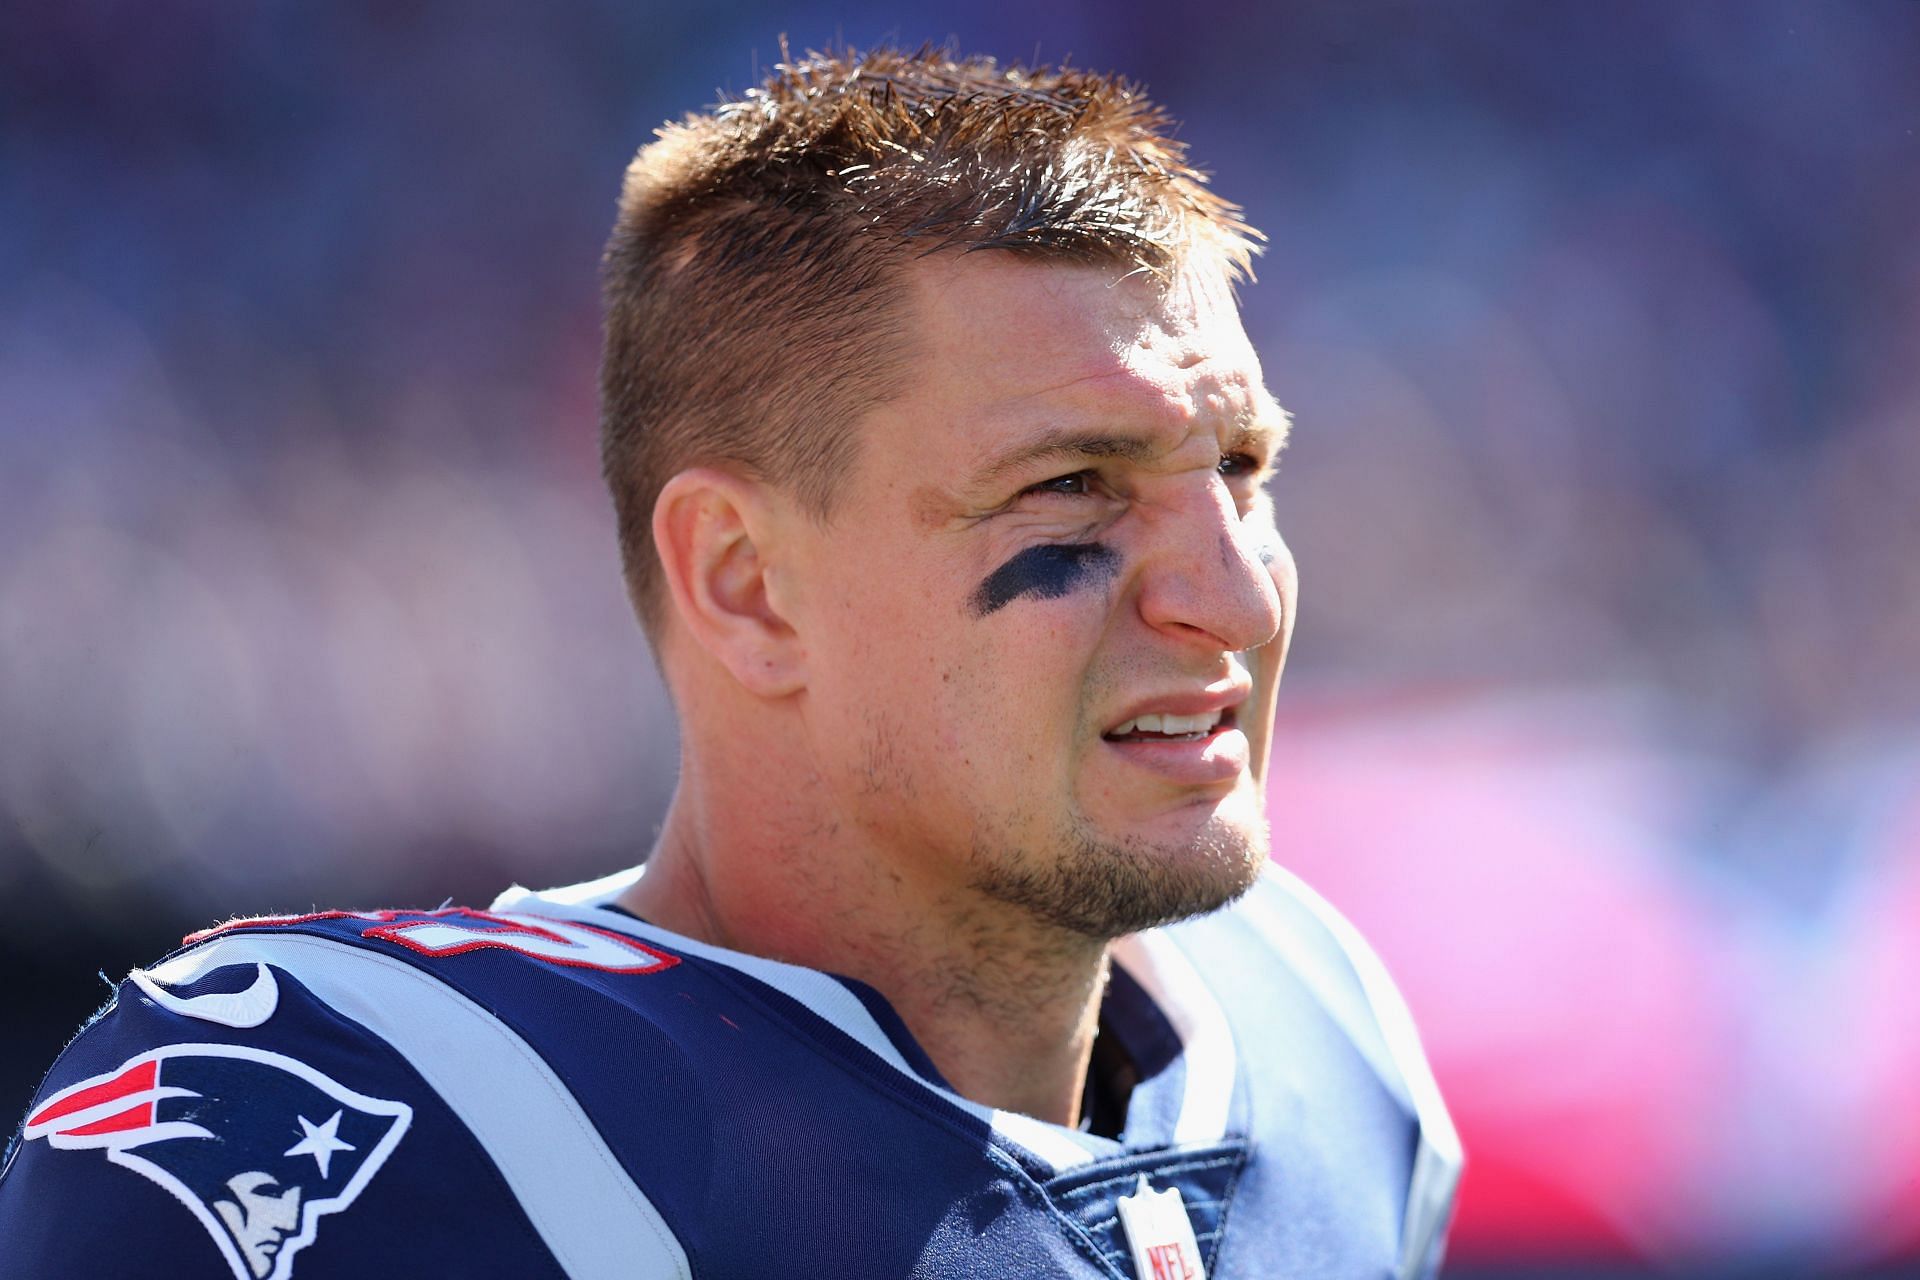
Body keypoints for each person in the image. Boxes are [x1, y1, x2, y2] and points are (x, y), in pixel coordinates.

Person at [0, 47, 1459, 1279]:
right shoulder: (400, 1122)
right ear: (748, 585)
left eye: (1244, 473)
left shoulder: (1321, 1027)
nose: (1235, 600)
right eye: (1072, 486)